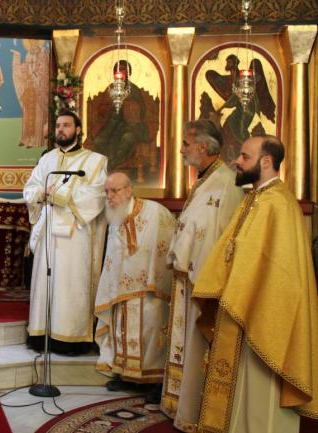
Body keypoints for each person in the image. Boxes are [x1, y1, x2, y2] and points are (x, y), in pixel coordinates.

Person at [192, 135, 318, 432]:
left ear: (266, 161)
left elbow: (282, 273)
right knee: (240, 389)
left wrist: (246, 296)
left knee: (261, 392)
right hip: (239, 306)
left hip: (264, 315)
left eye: (245, 157)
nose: (236, 161)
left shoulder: (279, 204)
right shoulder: (254, 199)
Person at [160, 119, 244, 431]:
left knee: (198, 348)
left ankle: (197, 411)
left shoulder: (227, 183)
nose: (182, 150)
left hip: (204, 281)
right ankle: (182, 405)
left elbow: (224, 237)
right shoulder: (205, 180)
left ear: (204, 147)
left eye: (186, 144)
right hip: (188, 278)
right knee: (185, 345)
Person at [23, 108, 107, 355]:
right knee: (45, 283)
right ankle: (41, 334)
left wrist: (58, 194)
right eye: (58, 125)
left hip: (76, 235)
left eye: (66, 125)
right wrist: (41, 193)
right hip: (48, 230)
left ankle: (71, 338)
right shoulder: (47, 159)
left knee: (71, 284)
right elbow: (31, 188)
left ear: (78, 130)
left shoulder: (95, 161)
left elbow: (97, 194)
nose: (61, 129)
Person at [94, 172, 175, 403]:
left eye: (115, 191)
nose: (110, 196)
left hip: (150, 290)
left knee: (151, 332)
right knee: (121, 332)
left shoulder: (156, 212)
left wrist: (155, 280)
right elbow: (113, 256)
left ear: (129, 190)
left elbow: (166, 245)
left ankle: (154, 381)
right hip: (121, 290)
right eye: (107, 192)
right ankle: (125, 375)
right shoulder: (115, 217)